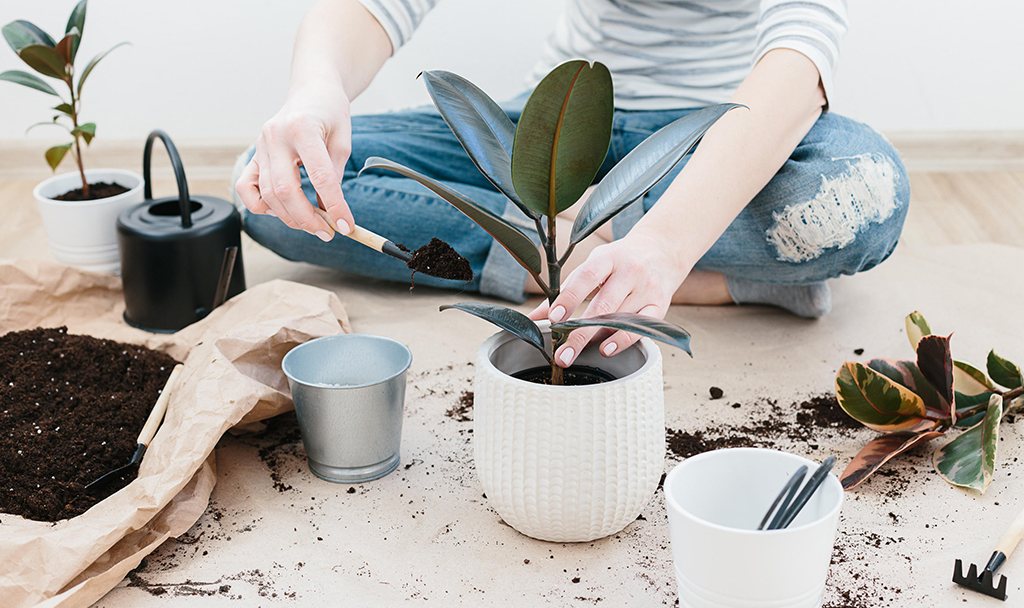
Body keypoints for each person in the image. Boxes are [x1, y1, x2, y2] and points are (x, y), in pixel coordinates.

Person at [234, 0, 909, 370]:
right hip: (557, 128)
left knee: (866, 190)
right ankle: (728, 274)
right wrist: (315, 90)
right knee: (273, 182)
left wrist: (665, 246)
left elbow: (801, 57)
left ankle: (598, 259)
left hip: (711, 131)